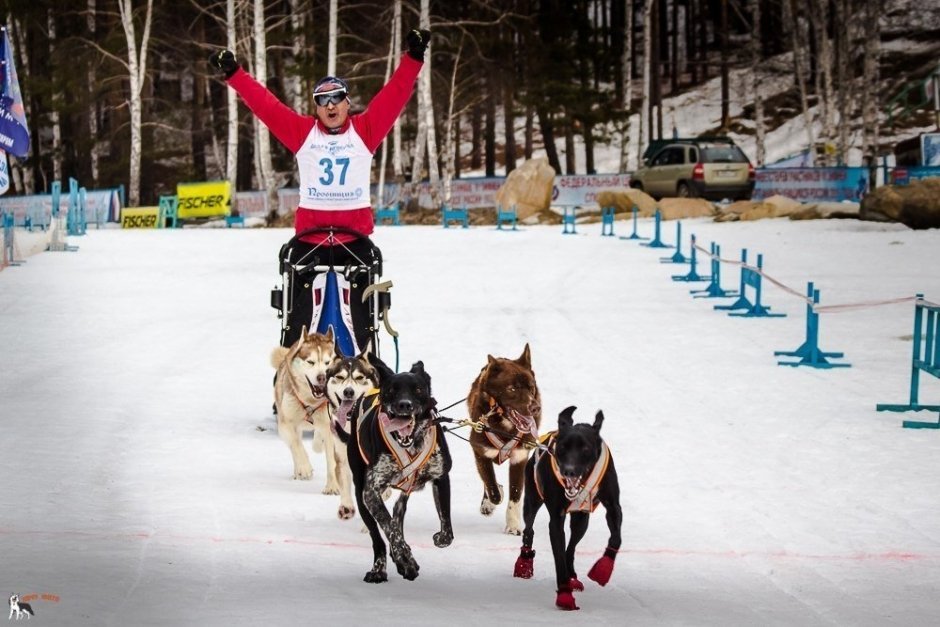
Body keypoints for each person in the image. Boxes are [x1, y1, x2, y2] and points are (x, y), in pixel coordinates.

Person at [209, 28, 430, 352]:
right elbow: (266, 106)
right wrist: (234, 74)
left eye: (336, 98)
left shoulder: (366, 130)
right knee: (297, 316)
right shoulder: (302, 133)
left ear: (346, 102)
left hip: (353, 242)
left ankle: (365, 366)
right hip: (309, 242)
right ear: (316, 108)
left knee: (362, 314)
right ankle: (290, 367)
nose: (330, 106)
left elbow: (394, 95)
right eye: (322, 101)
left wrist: (413, 58)